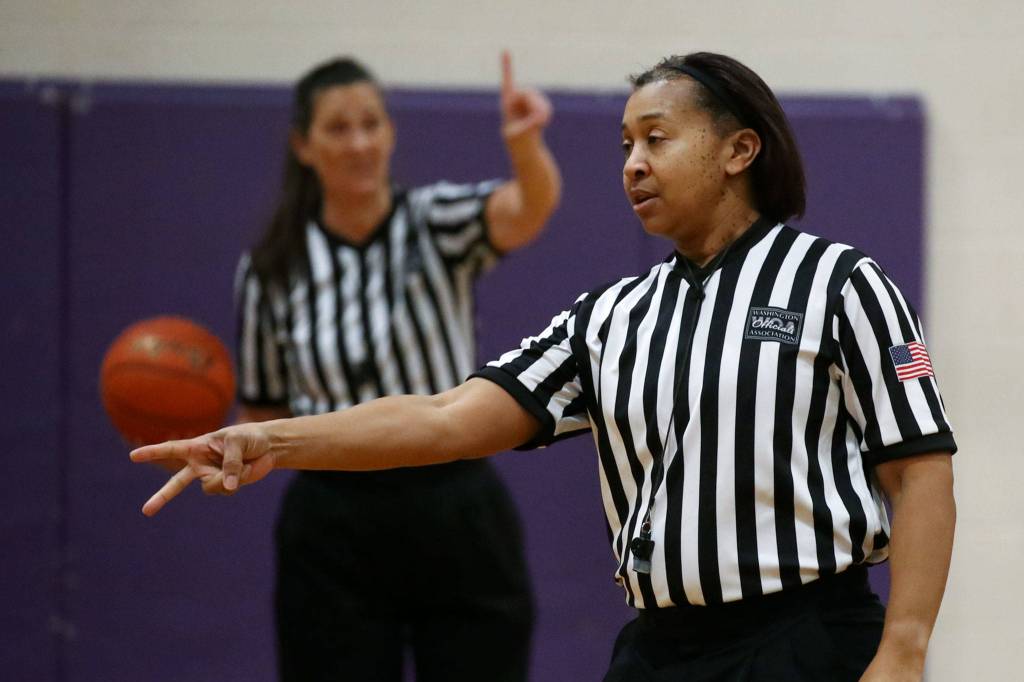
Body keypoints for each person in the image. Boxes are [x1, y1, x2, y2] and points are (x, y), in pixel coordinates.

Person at [133, 52, 956, 682]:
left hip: (803, 640)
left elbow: (921, 471)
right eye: (626, 144)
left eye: (657, 140)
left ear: (739, 149)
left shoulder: (844, 283)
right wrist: (271, 440)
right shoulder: (607, 318)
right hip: (658, 648)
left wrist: (905, 649)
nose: (632, 163)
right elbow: (444, 418)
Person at [223, 53, 560, 682]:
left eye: (371, 124)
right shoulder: (270, 269)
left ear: (391, 133)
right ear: (304, 145)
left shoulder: (435, 221)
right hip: (332, 520)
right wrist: (194, 437)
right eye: (338, 128)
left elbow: (527, 211)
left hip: (454, 503)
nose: (359, 143)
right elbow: (263, 416)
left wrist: (524, 147)